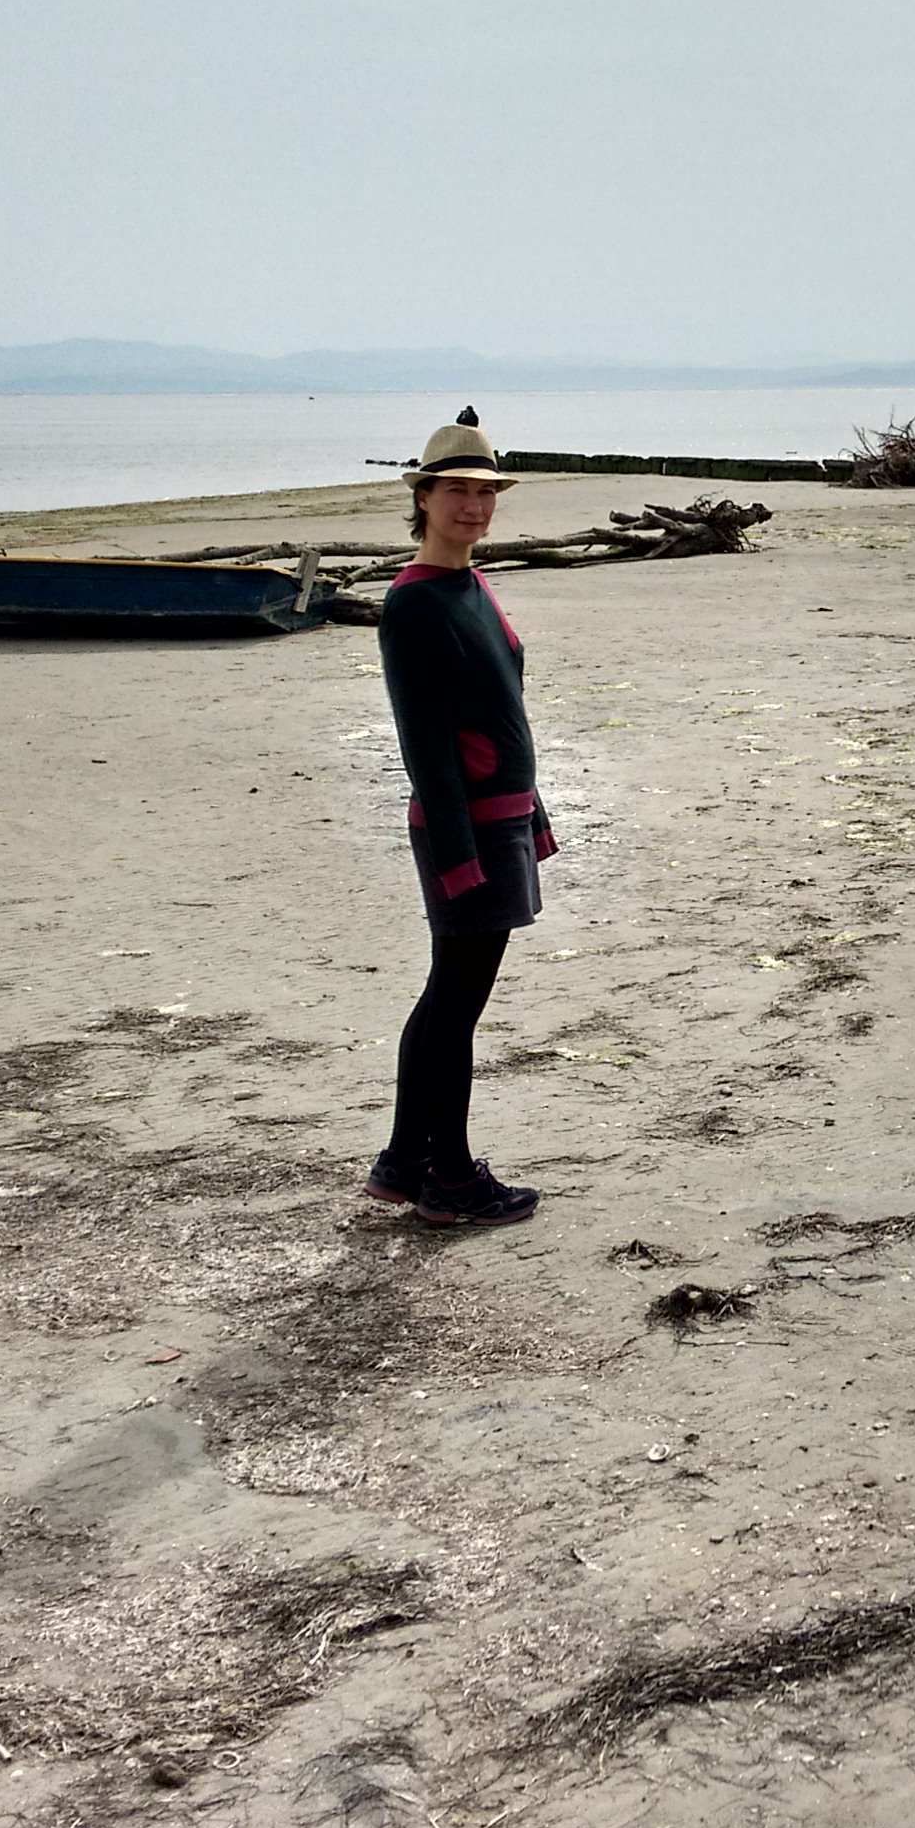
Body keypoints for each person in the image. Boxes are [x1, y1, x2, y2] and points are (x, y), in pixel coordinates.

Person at [366, 408, 551, 1228]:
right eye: (457, 493)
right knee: (455, 1004)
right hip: (464, 828)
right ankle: (448, 1178)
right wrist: (457, 852)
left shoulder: (470, 585)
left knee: (450, 998)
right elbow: (426, 744)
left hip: (499, 820)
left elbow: (503, 709)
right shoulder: (415, 604)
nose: (474, 507)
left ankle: (406, 1162)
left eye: (486, 493)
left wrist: (534, 813)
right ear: (424, 499)